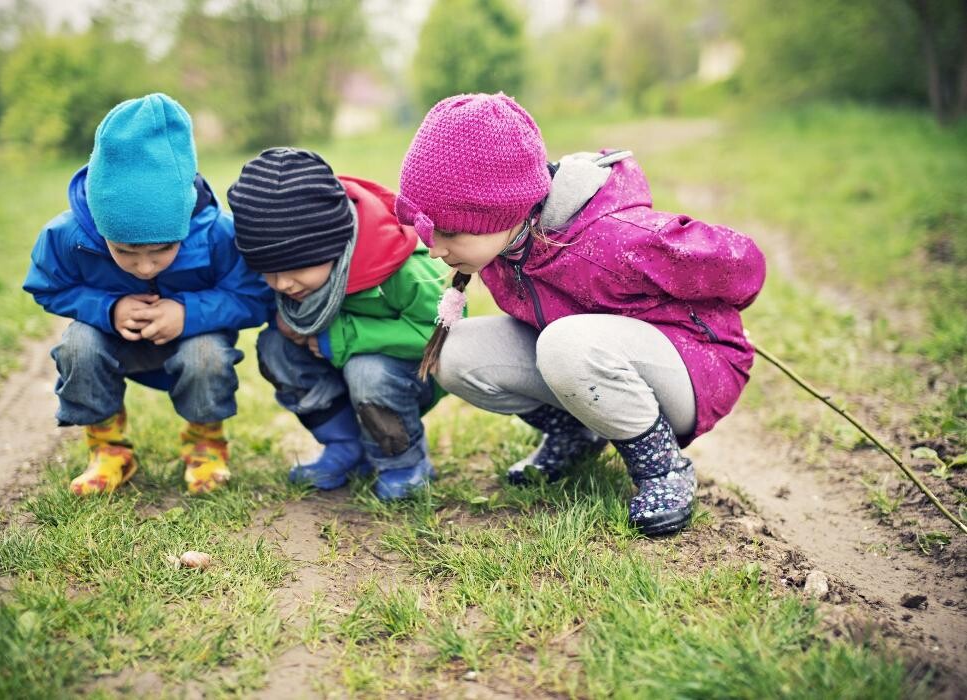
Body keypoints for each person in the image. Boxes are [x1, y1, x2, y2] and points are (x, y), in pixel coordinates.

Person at [395, 93, 766, 535]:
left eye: (450, 232)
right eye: (430, 231)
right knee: (453, 353)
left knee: (564, 342)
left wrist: (706, 311)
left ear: (503, 210)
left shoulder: (614, 240)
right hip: (590, 360)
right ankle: (578, 435)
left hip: (693, 368)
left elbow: (744, 264)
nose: (435, 248)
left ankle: (663, 467)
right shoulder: (506, 245)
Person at [24, 93, 272, 496]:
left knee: (206, 355)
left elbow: (254, 296)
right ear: (102, 228)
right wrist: (108, 307)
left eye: (162, 251)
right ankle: (108, 450)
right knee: (77, 345)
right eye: (123, 252)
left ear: (184, 220)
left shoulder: (217, 234)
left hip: (193, 338)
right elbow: (48, 285)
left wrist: (188, 312)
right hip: (112, 339)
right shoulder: (68, 235)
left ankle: (205, 445)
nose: (144, 267)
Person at [228, 148, 449, 500]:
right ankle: (346, 447)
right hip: (340, 367)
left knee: (367, 371)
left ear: (332, 246)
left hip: (405, 374)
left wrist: (342, 336)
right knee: (274, 347)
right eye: (268, 271)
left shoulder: (401, 267)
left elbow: (440, 335)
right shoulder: (290, 275)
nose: (282, 283)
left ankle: (404, 462)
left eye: (294, 268)